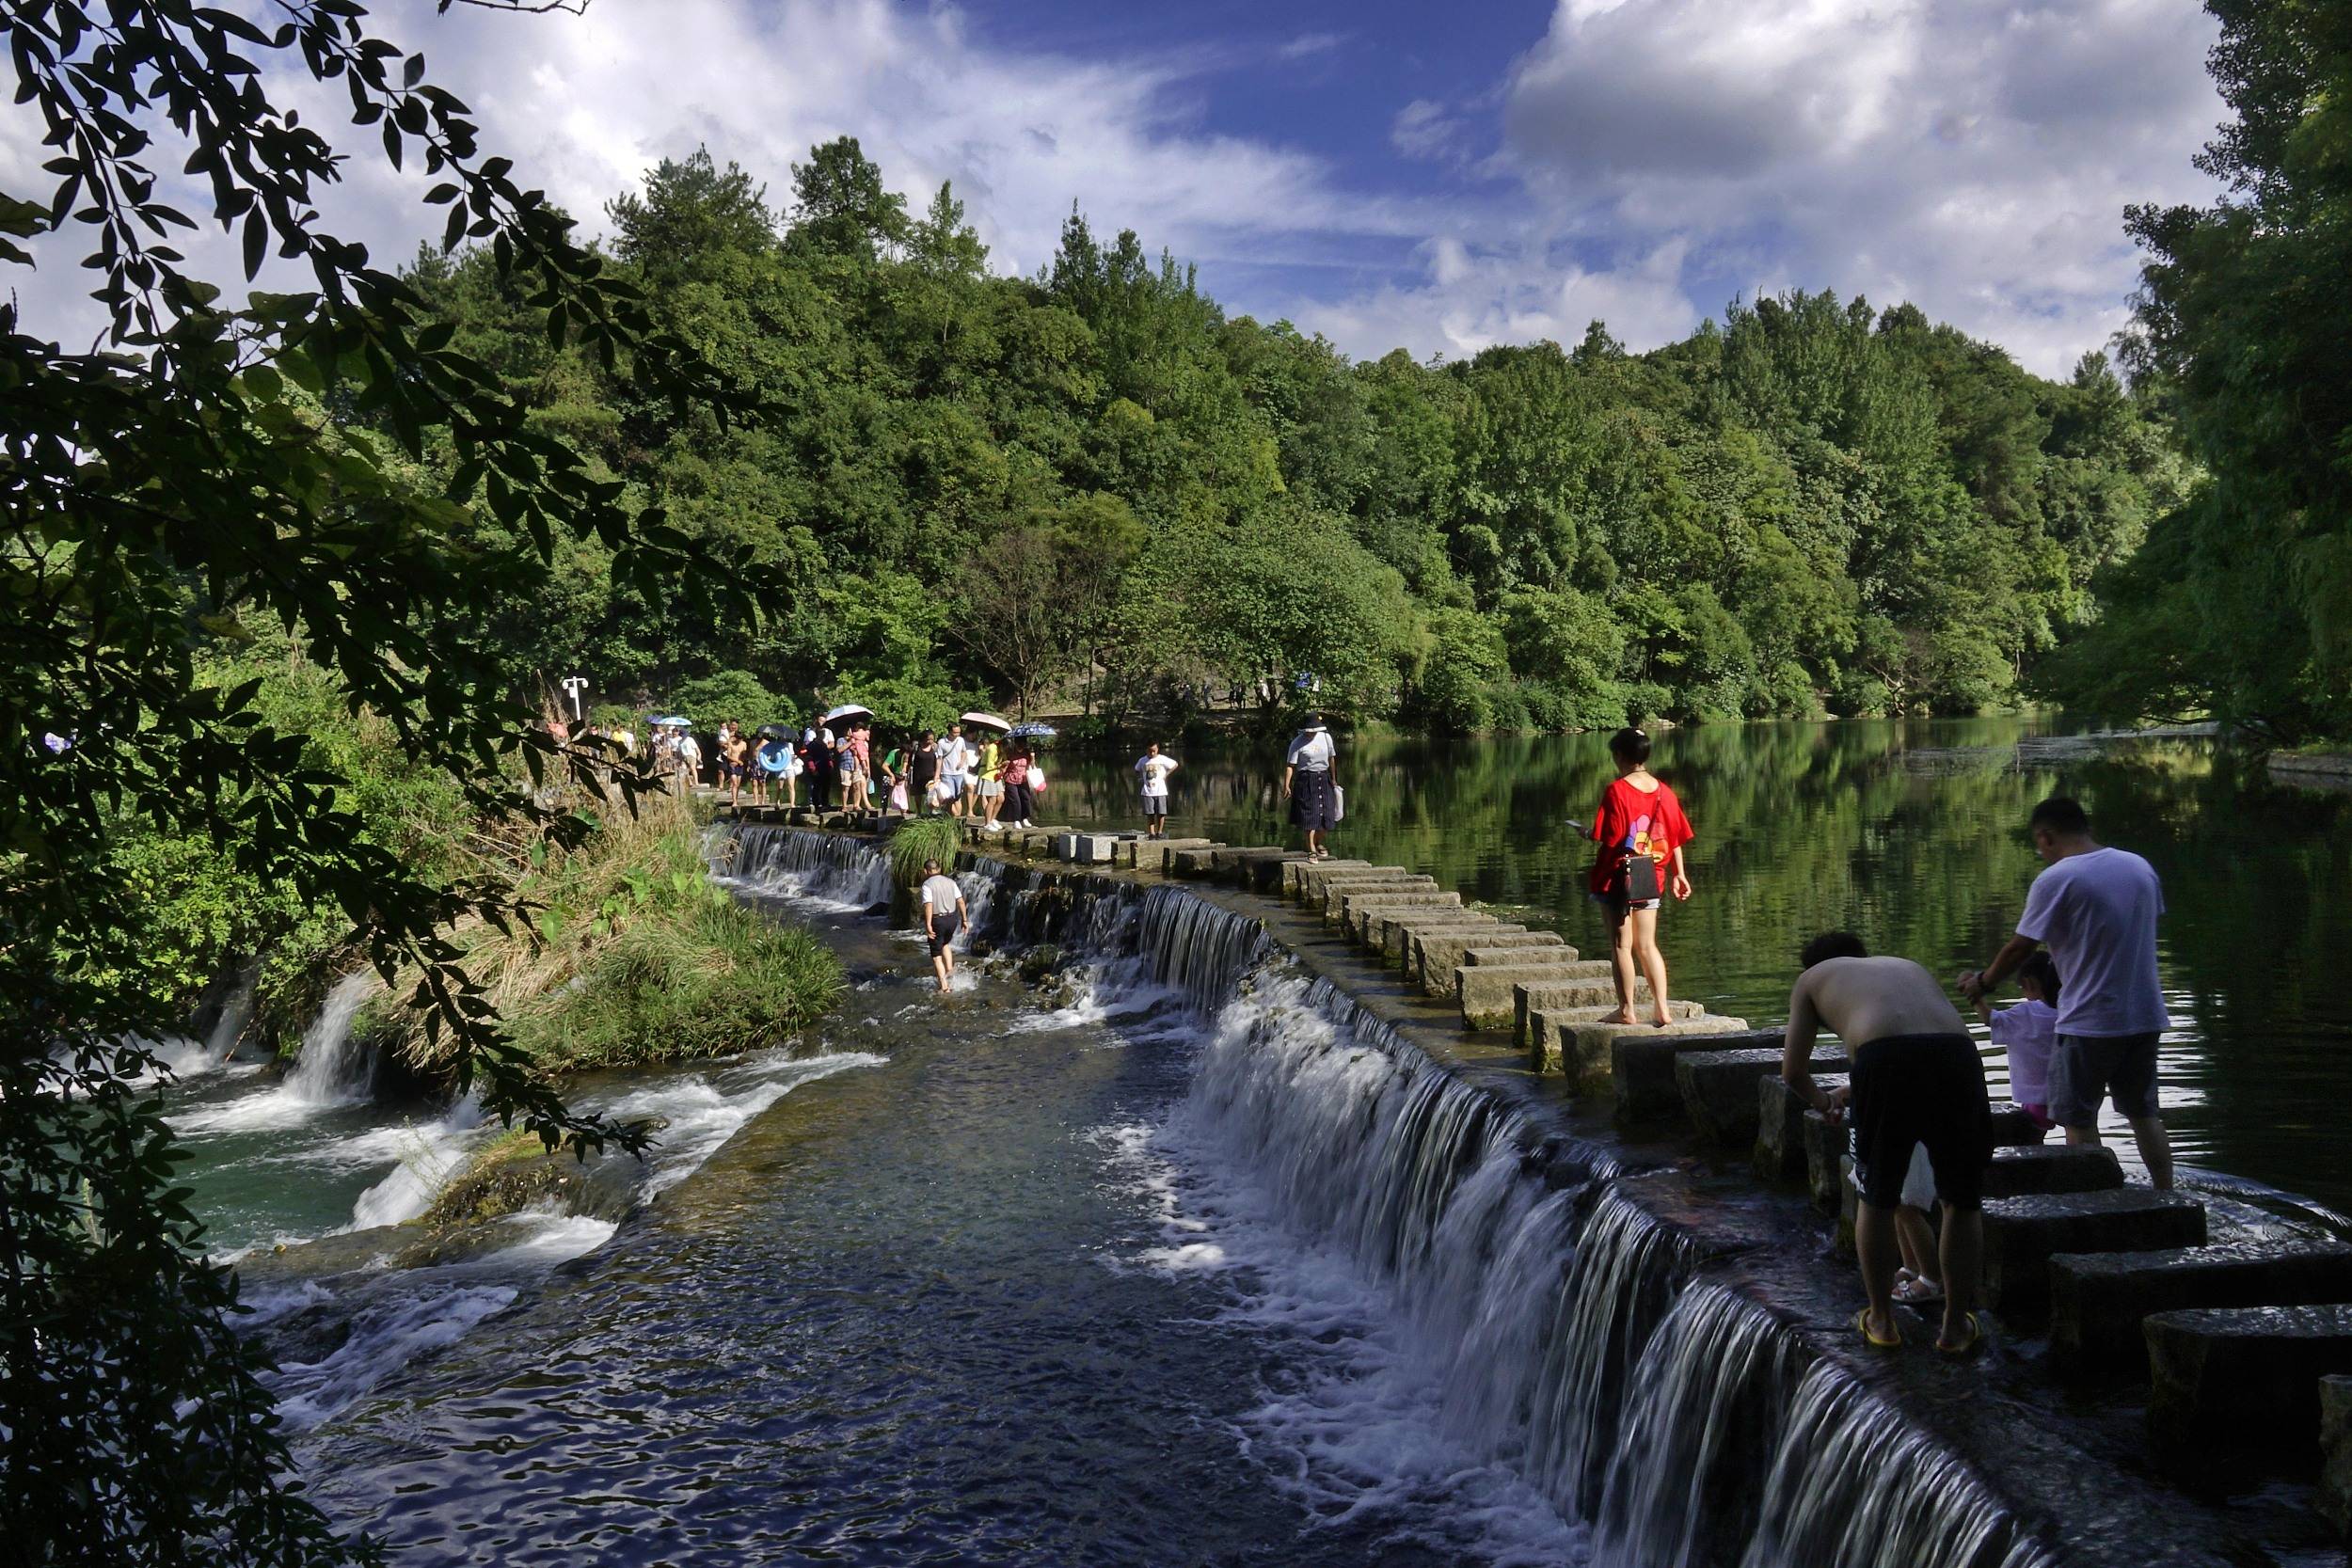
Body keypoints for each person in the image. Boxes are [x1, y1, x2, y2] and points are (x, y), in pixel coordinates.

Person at [1784, 932, 1991, 1354]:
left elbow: (1792, 1073)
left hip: (1884, 1055)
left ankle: (1881, 1320)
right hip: (1958, 1054)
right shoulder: (1903, 964)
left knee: (1877, 1198)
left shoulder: (1811, 981)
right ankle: (1954, 1328)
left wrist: (1825, 1103)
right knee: (1962, 1201)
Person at [1960, 797, 2173, 1188]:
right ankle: (2168, 1197)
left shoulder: (2058, 878)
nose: (2041, 854)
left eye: (2039, 845)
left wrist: (1983, 983)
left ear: (2046, 837)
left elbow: (2020, 948)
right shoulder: (2139, 867)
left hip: (2089, 1021)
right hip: (2145, 1015)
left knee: (2078, 1118)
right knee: (2144, 1114)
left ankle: (2097, 1203)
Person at [1578, 727, 1692, 1029]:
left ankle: (1627, 1010)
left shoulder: (1617, 790)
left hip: (1618, 875)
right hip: (1649, 873)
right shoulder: (1664, 791)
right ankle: (1662, 1009)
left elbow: (1611, 836)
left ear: (1619, 756)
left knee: (1621, 945)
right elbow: (1675, 835)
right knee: (1647, 945)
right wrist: (1679, 873)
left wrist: (1590, 834)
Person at [1974, 951, 2060, 1132]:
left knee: (2034, 1145)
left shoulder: (2024, 1013)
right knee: (2077, 1137)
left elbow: (1989, 1019)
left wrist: (1975, 997)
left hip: (2035, 1100)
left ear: (2029, 982)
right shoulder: (2069, 1012)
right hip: (2065, 1095)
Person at [1281, 713, 1340, 861]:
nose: (1311, 733)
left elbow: (1331, 758)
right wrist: (1286, 785)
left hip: (1323, 777)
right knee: (1310, 817)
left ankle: (1318, 842)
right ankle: (1311, 849)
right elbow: (1290, 766)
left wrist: (1333, 778)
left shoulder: (1326, 738)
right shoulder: (1297, 743)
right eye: (1308, 730)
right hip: (1306, 779)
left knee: (1326, 815)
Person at [919, 857, 966, 994]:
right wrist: (964, 919)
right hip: (952, 919)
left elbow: (928, 905)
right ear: (939, 869)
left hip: (937, 920)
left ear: (925, 871)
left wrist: (928, 924)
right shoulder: (951, 882)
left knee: (936, 955)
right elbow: (961, 901)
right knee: (945, 943)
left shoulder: (927, 885)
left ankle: (944, 986)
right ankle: (950, 971)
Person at [1135, 741, 1180, 837]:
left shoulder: (1162, 759)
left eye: (1154, 751)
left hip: (1160, 791)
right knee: (1150, 813)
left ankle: (1159, 832)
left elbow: (1175, 764)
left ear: (1157, 750)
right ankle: (1152, 833)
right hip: (1147, 791)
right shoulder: (1142, 760)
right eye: (1150, 751)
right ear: (1146, 750)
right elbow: (1136, 769)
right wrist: (1141, 778)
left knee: (1161, 812)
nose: (1152, 753)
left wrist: (1166, 775)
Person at [937, 723, 972, 818]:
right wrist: (937, 775)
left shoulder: (960, 740)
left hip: (958, 773)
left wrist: (961, 762)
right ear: (949, 732)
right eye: (955, 732)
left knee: (957, 797)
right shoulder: (941, 742)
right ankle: (953, 816)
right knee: (950, 796)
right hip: (946, 773)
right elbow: (939, 759)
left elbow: (964, 752)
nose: (957, 734)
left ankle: (957, 818)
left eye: (959, 732)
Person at [976, 730, 1005, 832]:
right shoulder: (993, 748)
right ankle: (987, 823)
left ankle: (992, 819)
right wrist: (1001, 765)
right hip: (987, 775)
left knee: (1001, 798)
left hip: (996, 775)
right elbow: (989, 766)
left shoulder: (1001, 749)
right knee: (992, 799)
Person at [1000, 743, 1034, 831]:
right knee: (1016, 800)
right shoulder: (1010, 752)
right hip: (1011, 779)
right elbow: (1002, 764)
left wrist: (1032, 757)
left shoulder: (1027, 752)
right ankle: (1016, 820)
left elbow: (1032, 765)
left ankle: (1025, 818)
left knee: (1026, 798)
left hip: (1023, 779)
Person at [908, 730, 940, 816]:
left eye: (932, 739)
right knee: (918, 795)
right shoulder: (916, 747)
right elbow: (910, 760)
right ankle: (919, 812)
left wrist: (937, 775)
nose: (930, 741)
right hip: (918, 775)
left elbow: (938, 761)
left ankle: (930, 812)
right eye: (928, 739)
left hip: (930, 775)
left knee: (931, 795)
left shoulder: (935, 747)